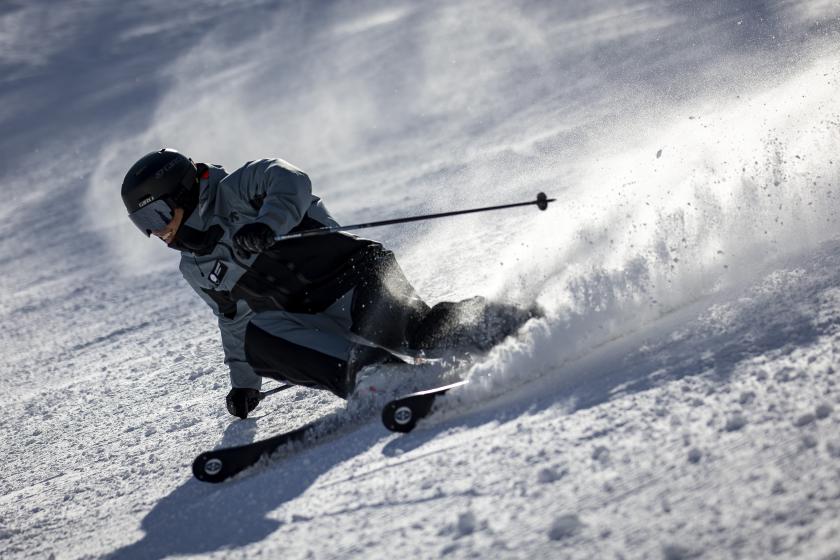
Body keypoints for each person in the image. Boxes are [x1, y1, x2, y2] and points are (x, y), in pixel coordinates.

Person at [121, 149, 534, 419]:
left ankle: (518, 323)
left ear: (181, 193)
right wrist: (244, 385)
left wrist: (268, 223)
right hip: (314, 322)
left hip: (355, 280)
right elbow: (231, 319)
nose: (156, 232)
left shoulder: (239, 188)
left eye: (157, 215)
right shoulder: (195, 267)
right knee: (255, 335)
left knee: (421, 334)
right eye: (143, 224)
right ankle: (375, 375)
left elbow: (291, 180)